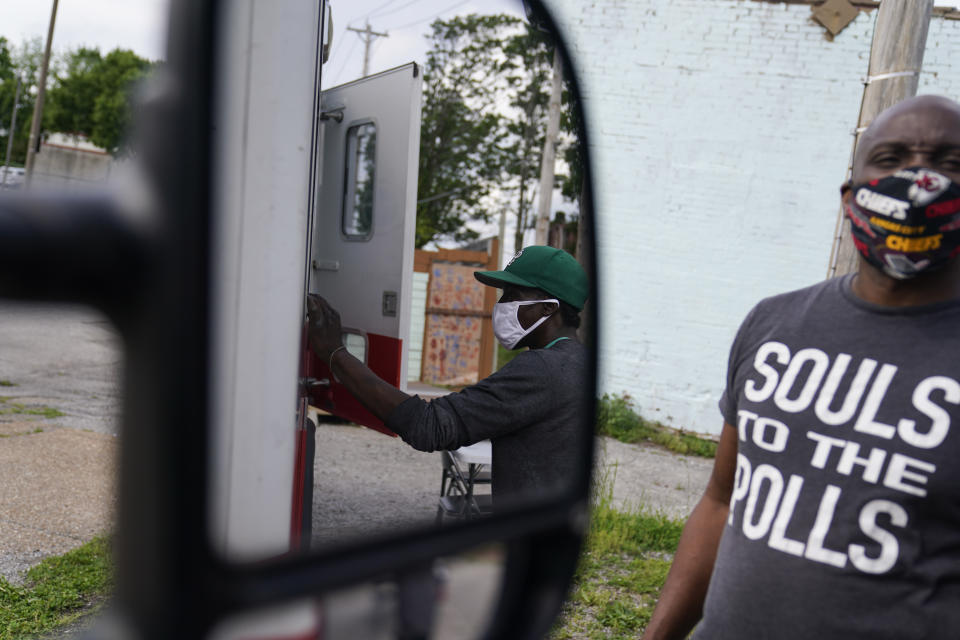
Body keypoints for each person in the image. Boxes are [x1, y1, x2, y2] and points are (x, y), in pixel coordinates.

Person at [643, 94, 960, 639]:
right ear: (850, 196)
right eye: (891, 158)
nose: (919, 178)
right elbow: (721, 501)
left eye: (950, 163)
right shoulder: (773, 325)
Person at [306, 244, 589, 502]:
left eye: (512, 296)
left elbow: (431, 427)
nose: (501, 306)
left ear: (548, 308)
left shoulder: (541, 369)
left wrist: (335, 353)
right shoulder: (577, 363)